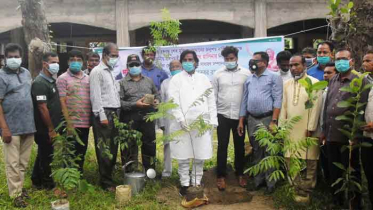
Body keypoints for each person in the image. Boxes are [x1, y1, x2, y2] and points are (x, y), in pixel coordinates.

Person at [320, 48, 369, 208]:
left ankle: (354, 203)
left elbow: (361, 110)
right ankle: (337, 201)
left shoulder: (360, 80)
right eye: (338, 59)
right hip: (331, 133)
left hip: (349, 135)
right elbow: (328, 105)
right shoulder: (334, 79)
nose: (340, 62)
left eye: (344, 59)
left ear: (351, 61)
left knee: (351, 170)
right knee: (334, 169)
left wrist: (355, 135)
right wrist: (324, 131)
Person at [168, 50, 218, 196]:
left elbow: (211, 101)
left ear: (196, 62)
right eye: (185, 60)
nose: (188, 62)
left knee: (199, 155)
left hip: (201, 125)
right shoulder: (176, 80)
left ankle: (196, 183)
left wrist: (212, 121)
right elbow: (173, 101)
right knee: (183, 156)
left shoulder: (204, 79)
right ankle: (184, 184)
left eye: (190, 59)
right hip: (181, 125)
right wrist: (180, 119)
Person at [279, 54, 323, 202]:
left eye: (296, 65)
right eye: (291, 65)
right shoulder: (287, 84)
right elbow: (284, 106)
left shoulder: (314, 83)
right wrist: (281, 127)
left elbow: (316, 107)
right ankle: (295, 187)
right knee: (290, 156)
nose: (293, 68)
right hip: (290, 129)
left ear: (304, 66)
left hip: (307, 128)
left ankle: (307, 190)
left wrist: (311, 127)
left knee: (310, 158)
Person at [238, 51, 283, 194]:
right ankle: (258, 181)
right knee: (256, 150)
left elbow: (277, 99)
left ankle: (271, 183)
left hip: (267, 118)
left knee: (269, 151)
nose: (253, 63)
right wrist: (241, 121)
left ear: (264, 62)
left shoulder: (274, 77)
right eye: (252, 60)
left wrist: (274, 121)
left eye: (256, 60)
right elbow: (244, 101)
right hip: (252, 119)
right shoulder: (249, 79)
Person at [0, 43, 36, 208]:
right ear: (5, 58)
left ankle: (19, 189)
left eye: (16, 57)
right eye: (10, 57)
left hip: (28, 125)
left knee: (23, 162)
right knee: (12, 163)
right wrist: (4, 128)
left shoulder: (26, 73)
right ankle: (15, 195)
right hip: (11, 126)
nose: (14, 59)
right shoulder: (1, 76)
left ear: (21, 58)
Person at [212, 46, 251, 190]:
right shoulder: (217, 74)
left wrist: (243, 116)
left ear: (237, 58)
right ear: (224, 60)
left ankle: (240, 173)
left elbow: (247, 95)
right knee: (222, 146)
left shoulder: (246, 74)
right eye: (227, 59)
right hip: (222, 115)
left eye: (232, 59)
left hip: (239, 117)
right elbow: (213, 96)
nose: (229, 61)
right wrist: (214, 116)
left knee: (239, 146)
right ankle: (221, 176)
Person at [119, 54, 160, 171]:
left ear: (140, 65)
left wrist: (157, 101)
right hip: (130, 117)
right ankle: (130, 173)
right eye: (132, 65)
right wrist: (134, 104)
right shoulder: (122, 83)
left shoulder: (149, 81)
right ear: (127, 66)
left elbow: (157, 94)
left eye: (136, 64)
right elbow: (119, 102)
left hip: (148, 117)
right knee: (129, 146)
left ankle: (150, 173)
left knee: (149, 145)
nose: (134, 66)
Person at [90, 43, 121, 191]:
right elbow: (95, 96)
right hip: (104, 114)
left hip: (114, 113)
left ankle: (109, 177)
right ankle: (105, 182)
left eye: (117, 56)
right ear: (105, 55)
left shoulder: (110, 71)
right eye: (113, 55)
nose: (115, 58)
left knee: (113, 147)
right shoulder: (97, 71)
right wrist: (101, 115)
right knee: (104, 148)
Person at [31, 52, 62, 191]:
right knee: (47, 156)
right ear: (45, 64)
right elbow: (42, 107)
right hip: (44, 128)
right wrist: (50, 129)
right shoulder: (39, 83)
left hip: (52, 126)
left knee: (43, 153)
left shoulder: (50, 80)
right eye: (53, 62)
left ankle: (36, 179)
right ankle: (48, 185)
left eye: (57, 62)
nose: (56, 65)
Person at [57, 49, 91, 173]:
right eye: (72, 60)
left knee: (81, 151)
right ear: (68, 62)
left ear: (83, 62)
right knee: (69, 152)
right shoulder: (62, 78)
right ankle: (68, 178)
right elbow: (62, 101)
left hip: (85, 122)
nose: (75, 62)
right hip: (70, 124)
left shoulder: (88, 78)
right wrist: (68, 122)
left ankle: (78, 176)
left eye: (78, 60)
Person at [159, 60, 182, 178]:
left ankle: (182, 172)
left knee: (183, 145)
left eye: (177, 66)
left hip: (183, 119)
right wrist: (161, 121)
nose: (174, 68)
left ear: (182, 67)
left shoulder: (186, 82)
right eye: (172, 67)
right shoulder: (165, 83)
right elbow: (162, 103)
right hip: (168, 119)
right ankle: (167, 172)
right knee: (168, 145)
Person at [361, 50, 373, 205]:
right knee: (369, 174)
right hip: (366, 137)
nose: (364, 64)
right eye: (363, 60)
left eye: (368, 60)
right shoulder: (362, 80)